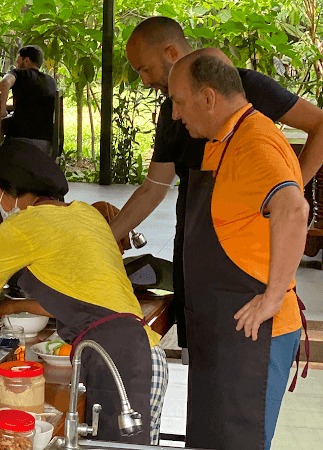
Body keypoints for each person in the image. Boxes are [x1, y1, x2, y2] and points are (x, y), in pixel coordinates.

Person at [112, 16, 323, 358]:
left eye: (145, 69)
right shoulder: (172, 111)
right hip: (197, 256)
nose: (144, 80)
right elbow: (154, 186)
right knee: (205, 368)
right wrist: (106, 238)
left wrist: (288, 190)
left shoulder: (246, 93)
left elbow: (319, 125)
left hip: (246, 272)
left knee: (244, 380)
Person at [0, 140, 167, 445]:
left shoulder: (20, 227)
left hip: (117, 361)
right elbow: (82, 294)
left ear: (9, 190)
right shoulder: (86, 214)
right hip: (148, 354)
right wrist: (10, 307)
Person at [169, 51, 308, 450]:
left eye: (179, 101)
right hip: (224, 332)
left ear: (208, 98)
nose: (175, 114)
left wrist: (273, 296)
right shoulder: (224, 139)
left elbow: (294, 209)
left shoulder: (255, 142)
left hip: (254, 338)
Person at [0, 45, 58, 159]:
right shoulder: (51, 81)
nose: (17, 65)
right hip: (46, 147)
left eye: (18, 62)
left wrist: (2, 111)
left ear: (26, 60)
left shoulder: (19, 73)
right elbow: (36, 102)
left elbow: (4, 83)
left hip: (22, 143)